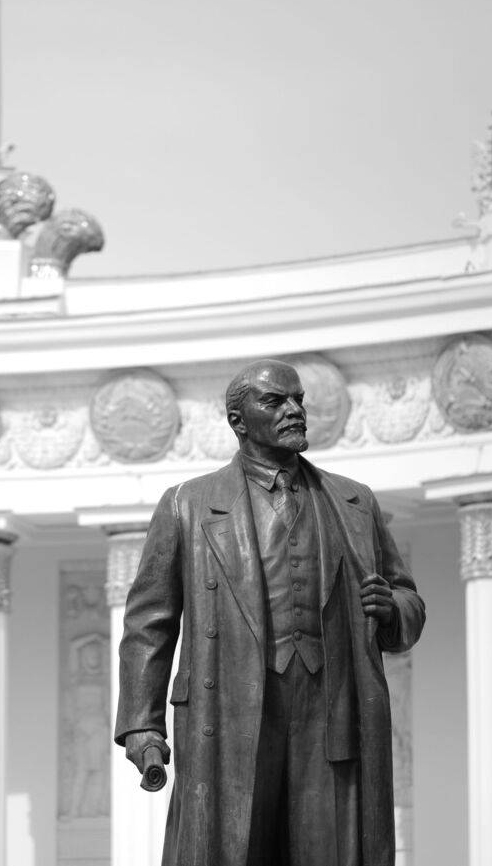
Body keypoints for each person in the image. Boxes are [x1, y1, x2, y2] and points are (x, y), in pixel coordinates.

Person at [115, 359, 424, 866]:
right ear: (239, 421)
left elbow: (408, 601)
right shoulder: (187, 504)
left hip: (332, 716)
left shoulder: (354, 502)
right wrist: (141, 723)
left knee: (330, 851)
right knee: (235, 847)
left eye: (298, 399)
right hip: (228, 712)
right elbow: (150, 620)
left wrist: (392, 610)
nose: (294, 410)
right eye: (275, 401)